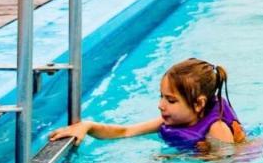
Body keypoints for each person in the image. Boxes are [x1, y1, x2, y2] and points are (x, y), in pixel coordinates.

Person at [48, 58, 246, 152]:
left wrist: (178, 160)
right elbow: (125, 132)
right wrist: (88, 126)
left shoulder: (217, 129)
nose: (161, 105)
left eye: (171, 100)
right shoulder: (173, 120)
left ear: (198, 104)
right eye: (161, 97)